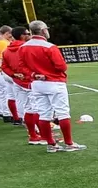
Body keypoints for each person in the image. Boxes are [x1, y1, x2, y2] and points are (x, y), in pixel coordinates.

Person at [21, 21, 86, 153]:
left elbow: (21, 67)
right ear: (43, 30)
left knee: (44, 114)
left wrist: (34, 74)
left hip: (37, 83)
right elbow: (61, 66)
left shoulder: (23, 47)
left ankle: (51, 144)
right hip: (54, 82)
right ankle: (69, 143)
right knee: (63, 113)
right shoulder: (49, 47)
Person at [1, 26, 44, 143]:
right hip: (30, 81)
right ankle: (43, 135)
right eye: (27, 33)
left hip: (18, 81)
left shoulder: (7, 50)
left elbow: (4, 66)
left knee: (28, 109)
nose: (29, 35)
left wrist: (14, 74)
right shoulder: (26, 48)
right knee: (37, 109)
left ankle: (33, 135)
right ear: (22, 36)